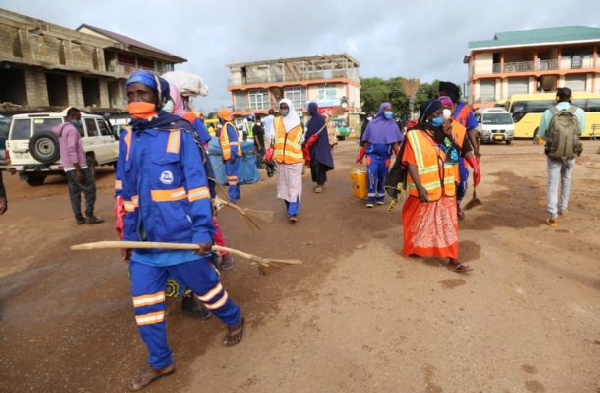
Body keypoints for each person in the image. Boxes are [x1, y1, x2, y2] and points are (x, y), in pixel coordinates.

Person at [115, 70, 244, 391]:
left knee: (209, 291)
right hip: (145, 245)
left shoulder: (179, 134)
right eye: (130, 95)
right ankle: (161, 362)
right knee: (145, 309)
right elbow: (125, 192)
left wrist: (203, 231)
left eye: (141, 94)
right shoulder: (128, 138)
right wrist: (128, 236)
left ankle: (234, 318)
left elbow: (198, 188)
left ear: (159, 98)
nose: (135, 101)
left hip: (181, 240)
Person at [401, 100, 480, 273]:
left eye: (441, 114)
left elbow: (452, 157)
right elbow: (410, 163)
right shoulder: (414, 136)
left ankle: (452, 258)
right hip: (426, 190)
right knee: (418, 221)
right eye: (436, 114)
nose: (440, 117)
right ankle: (414, 247)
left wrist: (449, 137)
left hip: (446, 190)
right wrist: (421, 188)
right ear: (428, 116)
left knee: (448, 225)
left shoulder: (445, 134)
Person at [538, 87, 585, 227]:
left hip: (553, 153)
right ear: (571, 97)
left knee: (553, 183)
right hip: (571, 153)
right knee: (566, 179)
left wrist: (554, 140)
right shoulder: (579, 112)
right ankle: (563, 208)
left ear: (557, 97)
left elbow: (542, 134)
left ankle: (553, 215)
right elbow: (581, 131)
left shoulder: (548, 113)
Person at [52, 108, 104, 225]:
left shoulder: (63, 129)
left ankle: (79, 218)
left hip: (68, 167)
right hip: (77, 166)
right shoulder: (72, 130)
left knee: (74, 193)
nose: (80, 120)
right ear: (73, 116)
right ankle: (89, 215)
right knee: (90, 190)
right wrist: (78, 169)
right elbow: (71, 149)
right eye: (79, 117)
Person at [438, 82, 480, 220]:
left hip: (459, 153)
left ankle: (456, 204)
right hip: (439, 155)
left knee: (461, 184)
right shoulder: (436, 108)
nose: (441, 96)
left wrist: (476, 150)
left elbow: (471, 130)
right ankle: (446, 210)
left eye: (443, 94)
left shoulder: (465, 109)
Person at [358, 102, 404, 207]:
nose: (390, 112)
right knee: (371, 175)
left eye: (391, 110)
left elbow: (396, 143)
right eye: (387, 110)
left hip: (385, 157)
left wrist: (400, 158)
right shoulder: (371, 124)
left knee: (382, 177)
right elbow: (365, 141)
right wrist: (361, 155)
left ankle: (380, 197)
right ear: (381, 110)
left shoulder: (393, 124)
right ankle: (370, 199)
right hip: (372, 156)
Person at [270, 98, 304, 223]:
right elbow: (272, 139)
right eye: (281, 107)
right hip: (280, 161)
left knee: (294, 186)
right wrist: (270, 154)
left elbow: (301, 140)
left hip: (294, 160)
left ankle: (293, 212)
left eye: (285, 107)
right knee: (284, 187)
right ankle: (289, 208)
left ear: (290, 107)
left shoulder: (297, 123)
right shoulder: (276, 121)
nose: (283, 109)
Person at [304, 102, 334, 193]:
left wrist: (306, 140)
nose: (308, 110)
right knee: (315, 164)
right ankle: (321, 181)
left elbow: (312, 133)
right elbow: (308, 132)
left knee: (318, 164)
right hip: (314, 146)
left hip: (319, 146)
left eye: (309, 109)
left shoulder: (318, 119)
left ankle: (319, 184)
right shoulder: (313, 119)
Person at [217, 108, 241, 202]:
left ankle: (232, 198)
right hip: (230, 156)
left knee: (232, 177)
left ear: (222, 118)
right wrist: (225, 156)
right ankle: (236, 195)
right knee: (234, 177)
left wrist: (233, 155)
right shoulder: (227, 126)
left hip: (232, 156)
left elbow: (234, 142)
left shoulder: (228, 126)